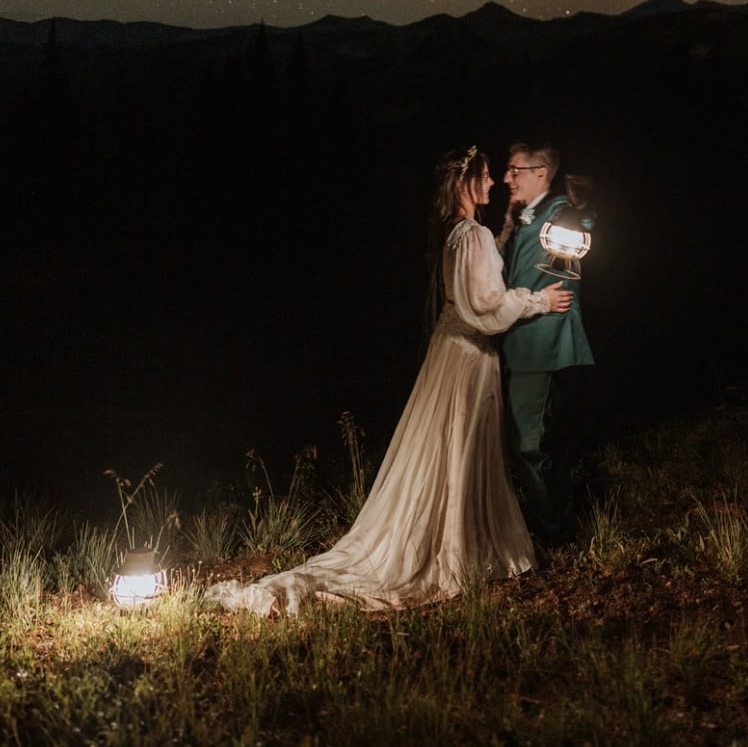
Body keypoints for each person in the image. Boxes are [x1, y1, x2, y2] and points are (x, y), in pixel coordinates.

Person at [206, 146, 572, 615]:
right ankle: (459, 551)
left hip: (451, 350)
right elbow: (486, 310)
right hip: (468, 355)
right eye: (484, 175)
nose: (494, 181)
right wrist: (538, 300)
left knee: (451, 448)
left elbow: (476, 287)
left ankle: (464, 542)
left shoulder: (459, 234)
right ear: (463, 183)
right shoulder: (470, 235)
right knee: (458, 446)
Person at [500, 142, 594, 546]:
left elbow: (584, 225)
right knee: (527, 442)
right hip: (516, 340)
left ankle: (556, 533)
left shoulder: (560, 212)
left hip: (542, 344)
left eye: (515, 170)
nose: (507, 178)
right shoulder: (523, 217)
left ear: (542, 172)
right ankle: (550, 524)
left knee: (529, 444)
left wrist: (582, 211)